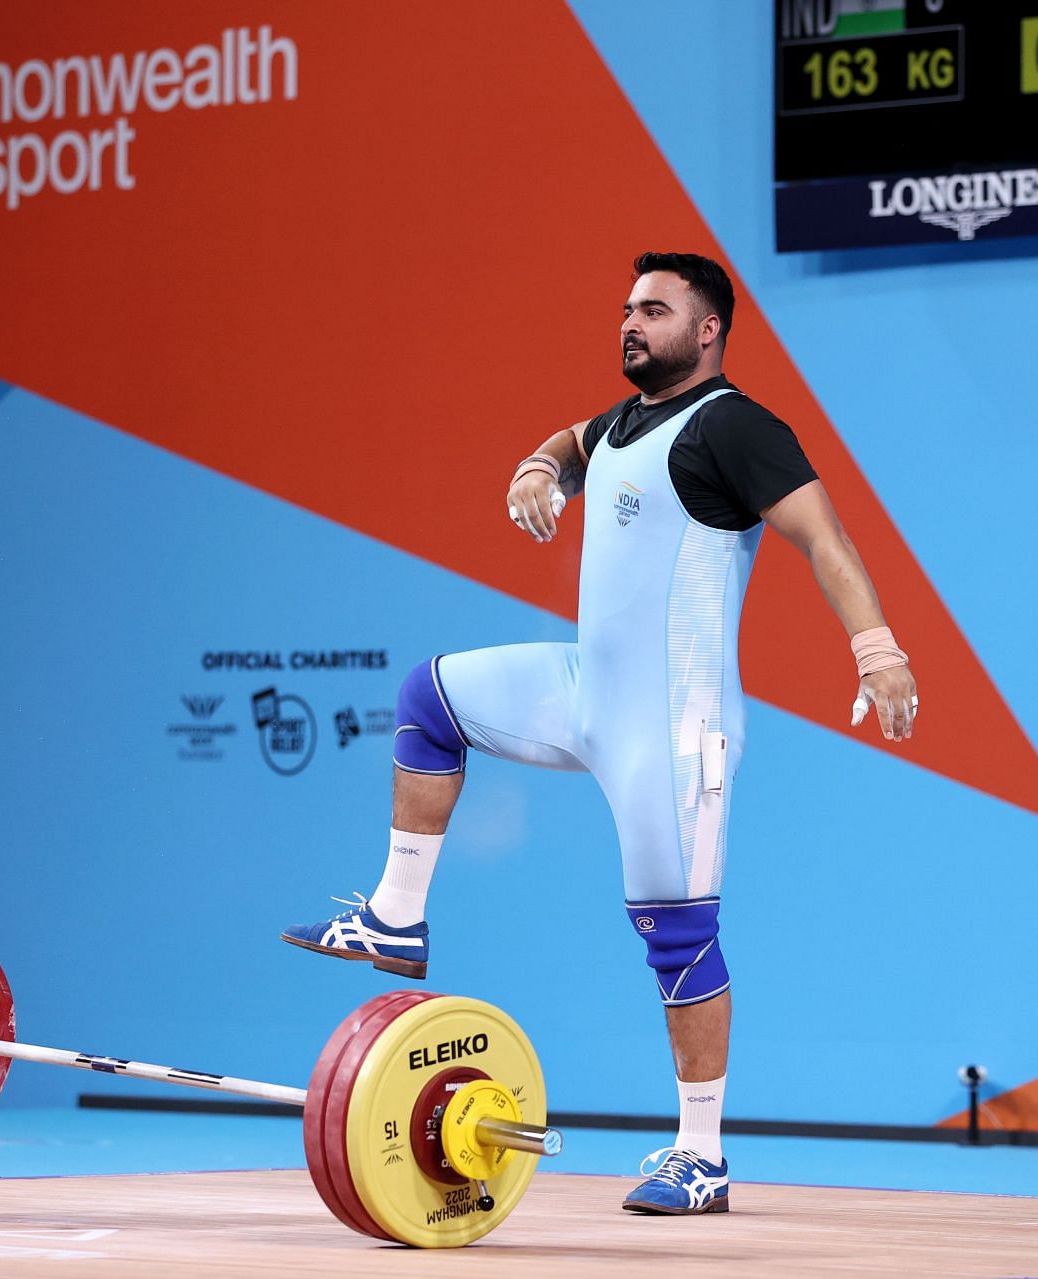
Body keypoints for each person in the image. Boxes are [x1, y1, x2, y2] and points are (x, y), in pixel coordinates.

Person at [283, 251, 917, 1216]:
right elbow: (573, 442)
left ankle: (700, 1155)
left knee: (680, 940)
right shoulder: (623, 420)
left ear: (708, 329)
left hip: (674, 731)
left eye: (654, 310)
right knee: (428, 698)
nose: (631, 322)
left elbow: (825, 538)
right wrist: (541, 466)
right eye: (626, 308)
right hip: (587, 690)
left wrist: (877, 651)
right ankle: (396, 917)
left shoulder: (736, 427)